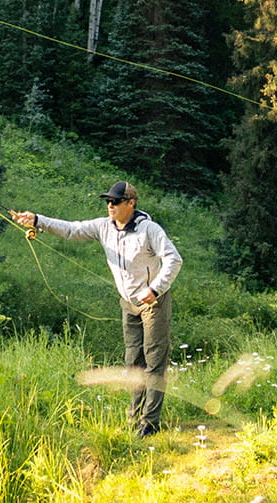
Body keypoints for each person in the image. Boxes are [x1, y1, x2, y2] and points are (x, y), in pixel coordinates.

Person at [12, 181, 182, 436]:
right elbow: (71, 230)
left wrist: (155, 288)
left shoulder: (149, 230)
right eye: (108, 201)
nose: (110, 206)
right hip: (128, 303)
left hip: (153, 302)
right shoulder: (103, 227)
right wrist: (37, 220)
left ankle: (150, 423)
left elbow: (173, 258)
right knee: (133, 362)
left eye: (115, 201)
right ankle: (134, 419)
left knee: (154, 361)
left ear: (131, 203)